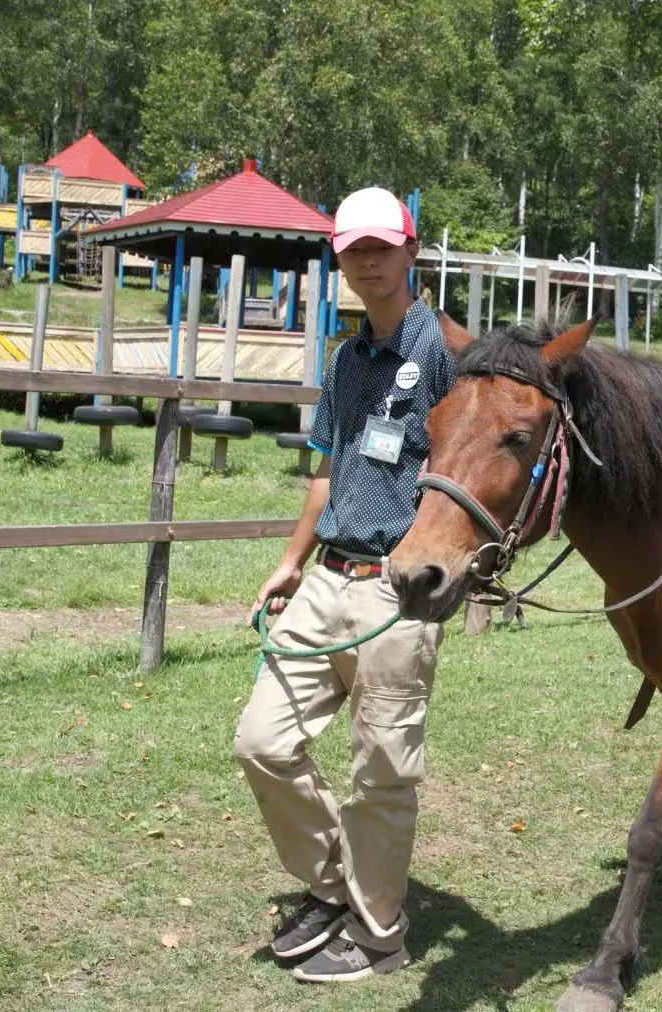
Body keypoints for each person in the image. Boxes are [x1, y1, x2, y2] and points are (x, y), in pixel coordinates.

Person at [233, 186, 456, 984]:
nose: (364, 262)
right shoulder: (346, 357)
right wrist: (290, 562)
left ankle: (379, 935)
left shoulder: (443, 353)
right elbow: (327, 474)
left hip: (396, 594)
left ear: (409, 250)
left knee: (381, 775)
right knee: (261, 743)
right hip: (326, 579)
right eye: (351, 251)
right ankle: (337, 887)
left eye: (378, 247)